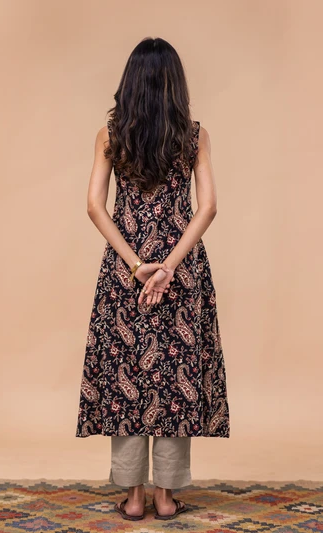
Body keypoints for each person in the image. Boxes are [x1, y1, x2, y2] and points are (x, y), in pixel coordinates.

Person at [75, 36, 230, 521]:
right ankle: (166, 498)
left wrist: (136, 264)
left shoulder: (110, 136)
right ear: (175, 84)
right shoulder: (194, 136)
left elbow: (94, 206)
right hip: (181, 273)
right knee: (175, 381)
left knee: (127, 375)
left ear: (130, 83)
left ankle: (134, 498)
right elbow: (208, 207)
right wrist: (169, 267)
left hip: (126, 274)